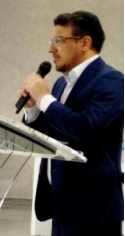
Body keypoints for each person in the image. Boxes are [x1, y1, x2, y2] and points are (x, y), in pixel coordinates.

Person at [18, 11, 123, 236]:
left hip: (94, 210)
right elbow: (51, 134)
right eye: (51, 41)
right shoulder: (59, 85)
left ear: (85, 43)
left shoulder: (113, 81)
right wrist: (33, 108)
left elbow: (84, 129)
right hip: (61, 202)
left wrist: (45, 99)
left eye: (58, 40)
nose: (50, 49)